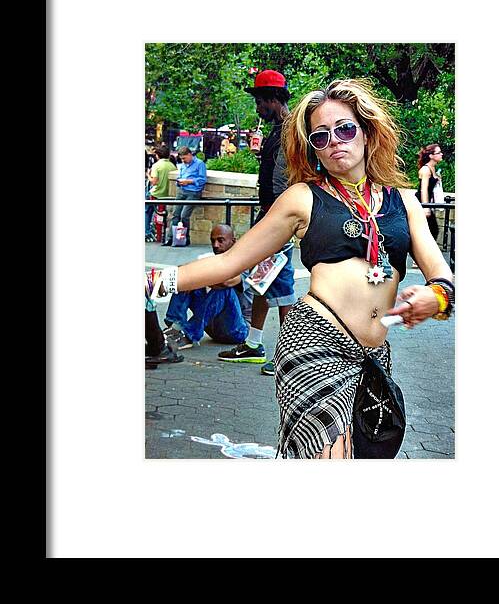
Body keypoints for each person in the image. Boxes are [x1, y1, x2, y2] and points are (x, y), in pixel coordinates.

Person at [153, 78, 454, 459]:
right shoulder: (302, 198)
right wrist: (155, 280)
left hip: (374, 355)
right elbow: (231, 262)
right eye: (321, 137)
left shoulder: (405, 201)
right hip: (314, 343)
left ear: (366, 132)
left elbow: (444, 277)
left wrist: (437, 297)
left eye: (345, 129)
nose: (335, 142)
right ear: (312, 148)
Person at [216, 69, 296, 376]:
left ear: (273, 100)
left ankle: (289, 357)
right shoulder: (279, 129)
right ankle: (253, 343)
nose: (257, 109)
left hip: (279, 218)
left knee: (282, 286)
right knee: (263, 281)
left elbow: (286, 179)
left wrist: (277, 219)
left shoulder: (289, 130)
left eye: (260, 102)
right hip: (272, 216)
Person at [163, 224, 253, 349]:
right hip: (213, 327)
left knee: (222, 289)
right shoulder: (213, 260)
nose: (216, 245)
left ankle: (190, 335)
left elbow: (227, 281)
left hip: (238, 330)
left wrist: (196, 279)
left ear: (233, 242)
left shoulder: (244, 263)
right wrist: (189, 278)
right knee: (184, 279)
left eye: (221, 240)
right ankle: (174, 327)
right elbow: (181, 270)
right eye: (213, 241)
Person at [162, 145, 207, 246]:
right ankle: (171, 239)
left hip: (193, 192)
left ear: (190, 154)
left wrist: (189, 181)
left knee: (184, 216)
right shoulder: (182, 165)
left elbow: (202, 180)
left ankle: (185, 239)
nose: (183, 160)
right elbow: (180, 176)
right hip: (181, 190)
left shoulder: (199, 164)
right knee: (175, 215)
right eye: (181, 159)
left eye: (184, 158)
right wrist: (179, 182)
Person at [145, 145, 177, 242]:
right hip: (166, 194)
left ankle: (146, 232)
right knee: (163, 215)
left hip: (155, 193)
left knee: (147, 212)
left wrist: (147, 175)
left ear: (158, 155)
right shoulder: (172, 166)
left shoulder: (156, 166)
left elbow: (154, 182)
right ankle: (161, 234)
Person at [415, 143, 444, 242]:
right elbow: (424, 189)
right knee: (432, 230)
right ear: (431, 156)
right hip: (421, 202)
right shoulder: (425, 170)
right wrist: (426, 207)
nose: (441, 154)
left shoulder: (433, 169)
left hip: (427, 203)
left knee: (432, 230)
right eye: (439, 152)